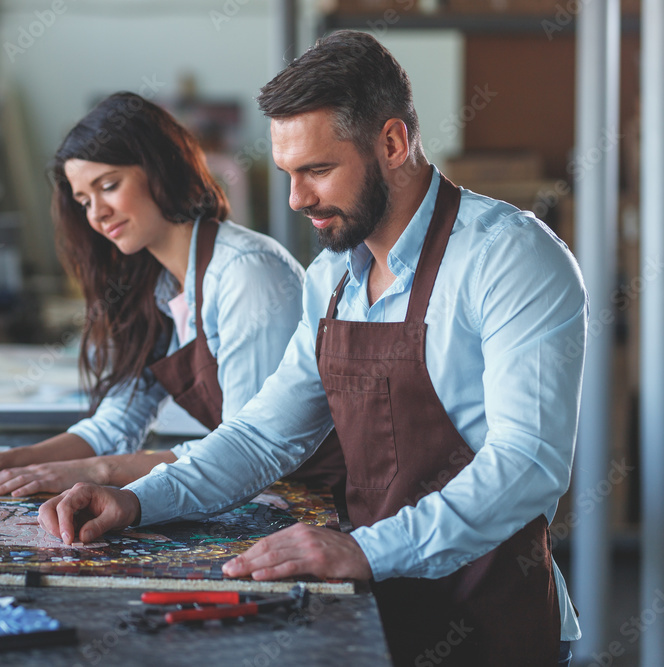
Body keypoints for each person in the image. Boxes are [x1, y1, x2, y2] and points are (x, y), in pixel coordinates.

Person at [38, 32, 585, 667]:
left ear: (393, 142)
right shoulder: (332, 279)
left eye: (318, 170)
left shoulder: (510, 258)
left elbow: (529, 465)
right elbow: (262, 437)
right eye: (288, 174)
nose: (297, 199)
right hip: (371, 607)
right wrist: (138, 500)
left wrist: (367, 551)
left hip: (488, 619)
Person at [0, 92, 307, 498]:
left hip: (315, 504)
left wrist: (98, 471)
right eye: (84, 200)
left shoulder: (246, 273)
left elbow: (246, 454)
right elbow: (114, 426)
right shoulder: (158, 286)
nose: (97, 214)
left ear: (160, 168)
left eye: (109, 185)